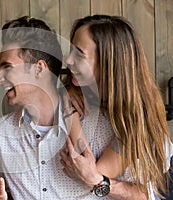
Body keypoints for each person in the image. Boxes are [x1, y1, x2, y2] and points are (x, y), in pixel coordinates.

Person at [60, 15, 172, 199]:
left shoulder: (136, 116)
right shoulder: (80, 92)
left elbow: (86, 169)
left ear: (107, 63)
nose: (69, 59)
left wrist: (68, 111)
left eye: (79, 53)